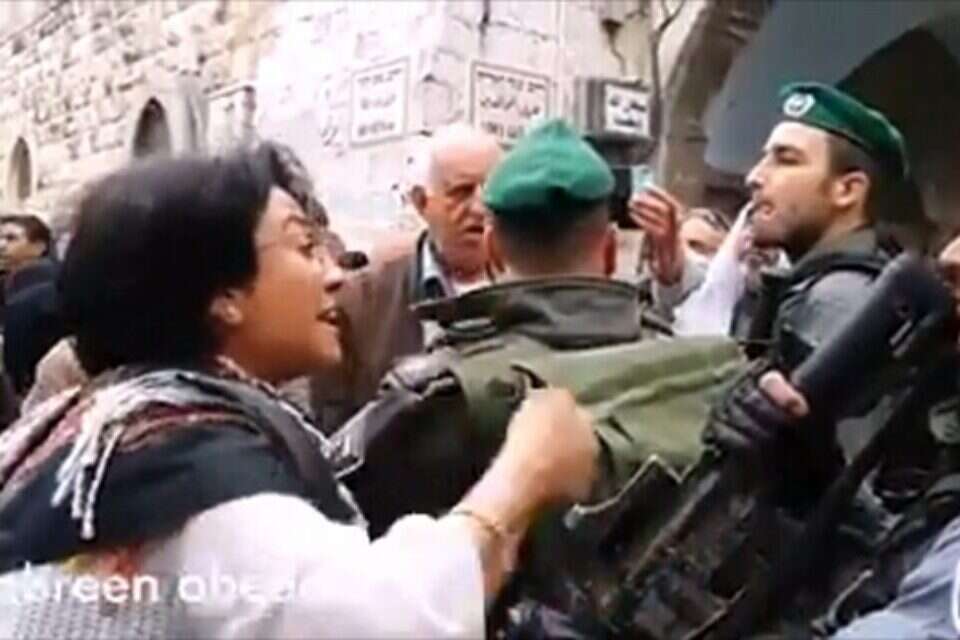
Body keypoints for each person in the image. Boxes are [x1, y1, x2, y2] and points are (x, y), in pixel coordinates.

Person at [0, 147, 599, 638]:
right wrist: (523, 476)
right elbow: (379, 622)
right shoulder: (188, 464)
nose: (334, 274)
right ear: (223, 295)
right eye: (305, 248)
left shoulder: (120, 422)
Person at [340, 119, 742, 539]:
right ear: (609, 251)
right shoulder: (706, 369)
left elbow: (338, 521)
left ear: (492, 250)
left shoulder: (444, 396)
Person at [310, 123, 503, 432]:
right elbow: (331, 427)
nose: (480, 208)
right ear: (421, 202)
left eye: (492, 191)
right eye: (461, 192)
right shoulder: (361, 303)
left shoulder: (529, 285)